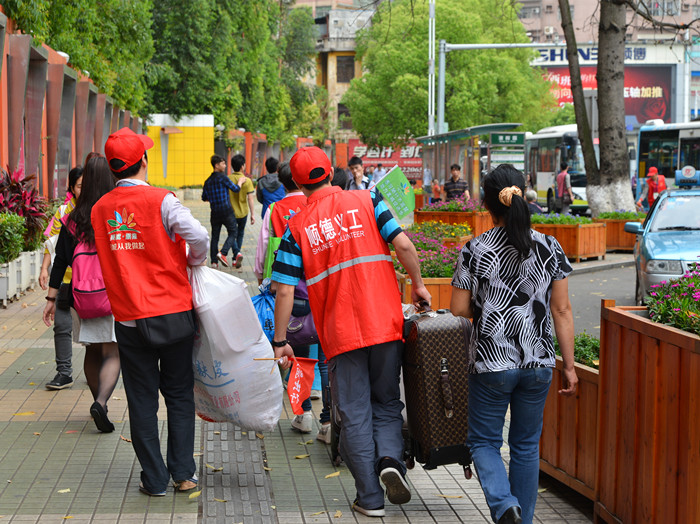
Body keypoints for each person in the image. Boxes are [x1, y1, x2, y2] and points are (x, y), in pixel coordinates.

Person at [271, 146, 431, 518]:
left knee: (354, 413)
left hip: (340, 336)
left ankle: (370, 499)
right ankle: (390, 459)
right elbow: (403, 243)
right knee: (388, 403)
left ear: (296, 183)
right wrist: (419, 285)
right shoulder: (368, 197)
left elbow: (283, 289)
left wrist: (280, 342)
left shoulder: (296, 227)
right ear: (332, 171)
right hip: (385, 324)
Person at [450, 164, 578, 524]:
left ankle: (504, 504)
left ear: (487, 205)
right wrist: (568, 366)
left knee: (484, 442)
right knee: (525, 446)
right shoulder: (551, 247)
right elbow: (562, 309)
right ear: (523, 194)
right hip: (538, 363)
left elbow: (459, 309)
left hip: (491, 364)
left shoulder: (475, 249)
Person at [91, 127, 209, 497]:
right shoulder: (163, 201)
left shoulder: (99, 210)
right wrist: (194, 262)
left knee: (141, 398)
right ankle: (183, 474)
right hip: (173, 312)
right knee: (178, 394)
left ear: (113, 169)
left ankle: (154, 479)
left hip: (128, 318)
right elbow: (199, 237)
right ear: (143, 161)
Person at [253, 161, 332, 442]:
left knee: (294, 353)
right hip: (323, 290)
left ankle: (303, 413)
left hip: (291, 292)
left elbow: (264, 246)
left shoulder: (276, 210)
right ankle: (329, 421)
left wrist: (262, 278)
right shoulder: (324, 207)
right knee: (324, 355)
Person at [42, 155, 121, 433]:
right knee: (113, 352)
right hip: (110, 295)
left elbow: (59, 260)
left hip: (81, 296)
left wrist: (51, 300)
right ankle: (101, 401)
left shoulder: (72, 219)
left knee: (91, 349)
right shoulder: (115, 214)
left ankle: (99, 403)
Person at [40, 166, 83, 390]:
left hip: (92, 284)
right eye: (78, 186)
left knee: (93, 332)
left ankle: (97, 371)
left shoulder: (100, 210)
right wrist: (44, 269)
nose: (82, 190)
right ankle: (64, 372)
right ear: (71, 188)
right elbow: (53, 244)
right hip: (67, 280)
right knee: (62, 326)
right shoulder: (64, 212)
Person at [201, 155, 244, 269]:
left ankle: (214, 262)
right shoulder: (223, 178)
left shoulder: (208, 181)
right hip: (226, 211)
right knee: (233, 232)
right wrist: (240, 181)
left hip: (214, 212)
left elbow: (204, 197)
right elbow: (235, 189)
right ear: (217, 165)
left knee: (215, 236)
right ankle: (223, 253)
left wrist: (214, 198)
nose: (225, 165)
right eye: (223, 163)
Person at [229, 154, 256, 266]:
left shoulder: (228, 179)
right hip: (243, 212)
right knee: (240, 234)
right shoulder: (247, 181)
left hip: (230, 212)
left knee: (231, 235)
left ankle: (236, 254)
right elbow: (250, 198)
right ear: (242, 166)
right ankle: (236, 256)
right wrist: (253, 214)